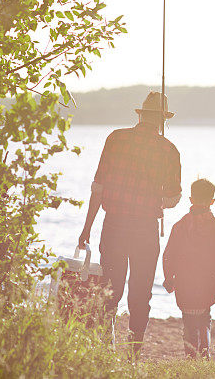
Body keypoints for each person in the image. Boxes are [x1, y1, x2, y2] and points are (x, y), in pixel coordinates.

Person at [77, 91, 181, 355]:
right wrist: (160, 197)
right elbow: (171, 199)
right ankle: (133, 353)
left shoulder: (116, 139)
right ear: (162, 121)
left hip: (113, 226)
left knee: (109, 291)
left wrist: (86, 228)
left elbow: (98, 188)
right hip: (145, 231)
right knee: (140, 295)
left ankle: (100, 349)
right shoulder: (169, 150)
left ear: (141, 115)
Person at [162, 178, 215, 358]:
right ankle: (204, 354)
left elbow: (168, 255)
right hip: (208, 284)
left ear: (190, 199)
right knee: (204, 319)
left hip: (185, 284)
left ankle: (191, 357)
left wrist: (168, 277)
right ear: (212, 201)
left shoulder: (180, 226)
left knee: (189, 322)